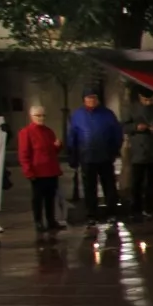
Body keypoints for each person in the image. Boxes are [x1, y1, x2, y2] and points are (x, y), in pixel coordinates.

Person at [66, 87, 123, 229]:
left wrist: (114, 151)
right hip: (86, 157)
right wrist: (73, 155)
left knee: (109, 187)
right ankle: (91, 215)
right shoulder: (78, 115)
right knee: (89, 188)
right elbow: (72, 136)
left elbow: (117, 133)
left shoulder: (107, 114)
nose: (91, 101)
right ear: (84, 100)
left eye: (93, 98)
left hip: (105, 156)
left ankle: (112, 213)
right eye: (88, 98)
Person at [18, 107, 62, 241]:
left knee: (50, 198)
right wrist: (28, 171)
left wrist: (57, 146)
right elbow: (24, 154)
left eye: (43, 115)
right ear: (32, 116)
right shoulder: (26, 133)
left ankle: (51, 220)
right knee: (38, 199)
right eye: (38, 116)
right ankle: (38, 221)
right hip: (37, 172)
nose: (41, 118)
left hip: (51, 170)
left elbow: (52, 152)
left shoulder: (48, 131)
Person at [123, 88, 153, 221]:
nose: (148, 102)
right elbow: (125, 127)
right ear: (140, 98)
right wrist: (136, 127)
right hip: (138, 151)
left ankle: (149, 207)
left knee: (151, 182)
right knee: (137, 182)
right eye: (146, 100)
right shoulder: (132, 109)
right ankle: (136, 208)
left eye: (150, 100)